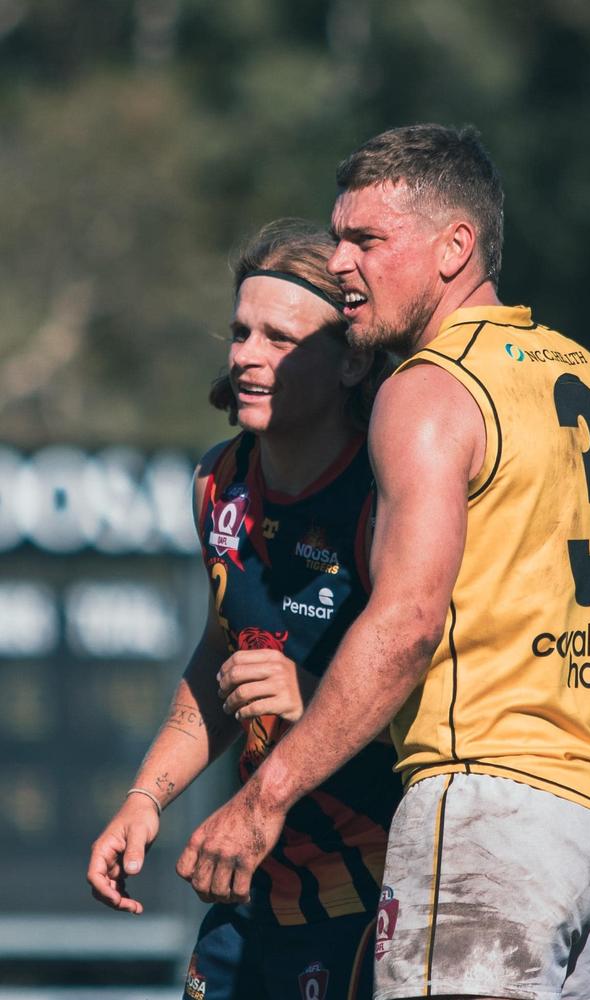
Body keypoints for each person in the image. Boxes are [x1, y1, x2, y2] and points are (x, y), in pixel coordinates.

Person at [175, 125, 590, 1000]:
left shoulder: (427, 388)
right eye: (338, 235)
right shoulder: (584, 373)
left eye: (368, 241)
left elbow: (406, 624)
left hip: (485, 814)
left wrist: (264, 795)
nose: (342, 262)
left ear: (454, 247)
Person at [86, 218, 402, 1000]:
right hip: (250, 880)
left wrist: (315, 693)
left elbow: (437, 671)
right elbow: (216, 659)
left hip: (370, 899)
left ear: (351, 361)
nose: (246, 356)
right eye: (239, 332)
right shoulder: (217, 482)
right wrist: (144, 796)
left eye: (280, 339)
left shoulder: (389, 491)